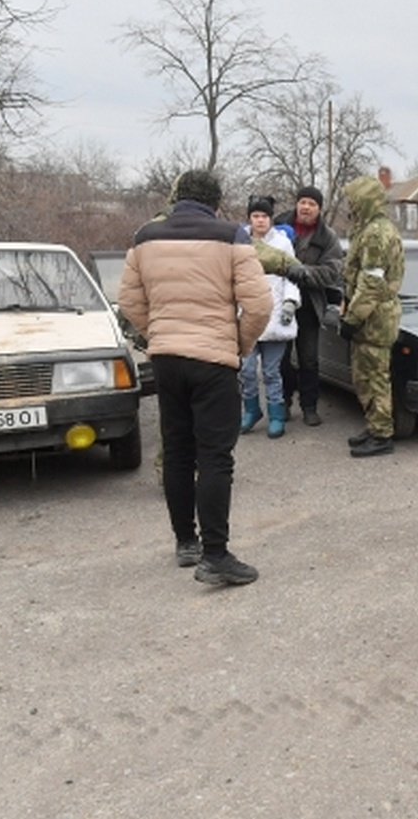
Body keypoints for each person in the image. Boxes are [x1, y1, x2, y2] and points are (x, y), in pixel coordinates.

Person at [119, 169, 272, 586]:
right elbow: (259, 305)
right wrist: (237, 344)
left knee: (178, 451)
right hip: (213, 361)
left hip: (167, 359)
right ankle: (216, 555)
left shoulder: (146, 237)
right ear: (216, 201)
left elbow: (129, 300)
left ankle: (185, 542)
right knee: (215, 457)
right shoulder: (232, 237)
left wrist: (160, 332)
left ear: (175, 197)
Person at [339, 175, 403, 457]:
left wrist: (352, 319)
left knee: (375, 376)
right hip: (371, 316)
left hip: (374, 319)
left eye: (353, 201)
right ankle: (374, 424)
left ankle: (382, 434)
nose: (349, 207)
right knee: (363, 375)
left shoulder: (377, 234)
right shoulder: (367, 229)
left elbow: (371, 283)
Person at [273, 186, 344, 426]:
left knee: (309, 359)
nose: (306, 207)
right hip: (279, 303)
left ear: (319, 209)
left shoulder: (327, 237)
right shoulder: (278, 225)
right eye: (302, 202)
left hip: (310, 305)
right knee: (280, 358)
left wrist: (303, 273)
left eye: (312, 204)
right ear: (297, 204)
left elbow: (332, 271)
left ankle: (310, 406)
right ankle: (282, 403)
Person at [239, 195, 303, 439]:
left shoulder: (283, 243)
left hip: (275, 315)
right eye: (256, 216)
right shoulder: (240, 243)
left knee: (271, 371)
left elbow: (291, 275)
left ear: (271, 219)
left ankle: (276, 415)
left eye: (264, 216)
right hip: (247, 314)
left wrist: (290, 302)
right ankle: (251, 410)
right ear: (249, 218)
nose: (260, 221)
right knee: (246, 369)